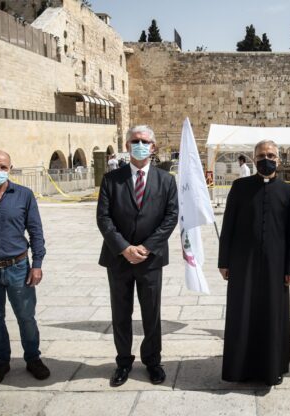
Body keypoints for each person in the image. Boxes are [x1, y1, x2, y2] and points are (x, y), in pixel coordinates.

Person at [97, 125, 178, 387]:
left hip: (150, 259)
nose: (139, 144)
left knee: (151, 312)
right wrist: (124, 247)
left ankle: (152, 361)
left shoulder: (166, 180)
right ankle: (123, 362)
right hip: (118, 258)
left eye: (144, 141)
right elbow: (103, 218)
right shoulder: (112, 179)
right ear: (127, 145)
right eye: (135, 140)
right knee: (120, 313)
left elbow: (170, 217)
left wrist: (146, 247)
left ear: (153, 147)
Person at [219, 139, 290, 386]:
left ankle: (272, 367)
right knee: (242, 313)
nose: (268, 159)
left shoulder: (287, 191)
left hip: (276, 266)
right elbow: (228, 225)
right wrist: (224, 261)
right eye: (263, 155)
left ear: (279, 159)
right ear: (254, 159)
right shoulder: (240, 187)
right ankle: (239, 369)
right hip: (243, 263)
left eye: (272, 155)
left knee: (272, 315)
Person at [0, 150, 50, 388]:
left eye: (3, 167)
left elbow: (36, 231)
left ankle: (33, 358)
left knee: (26, 317)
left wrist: (37, 264)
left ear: (10, 168)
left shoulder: (24, 195)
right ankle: (1, 362)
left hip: (18, 267)